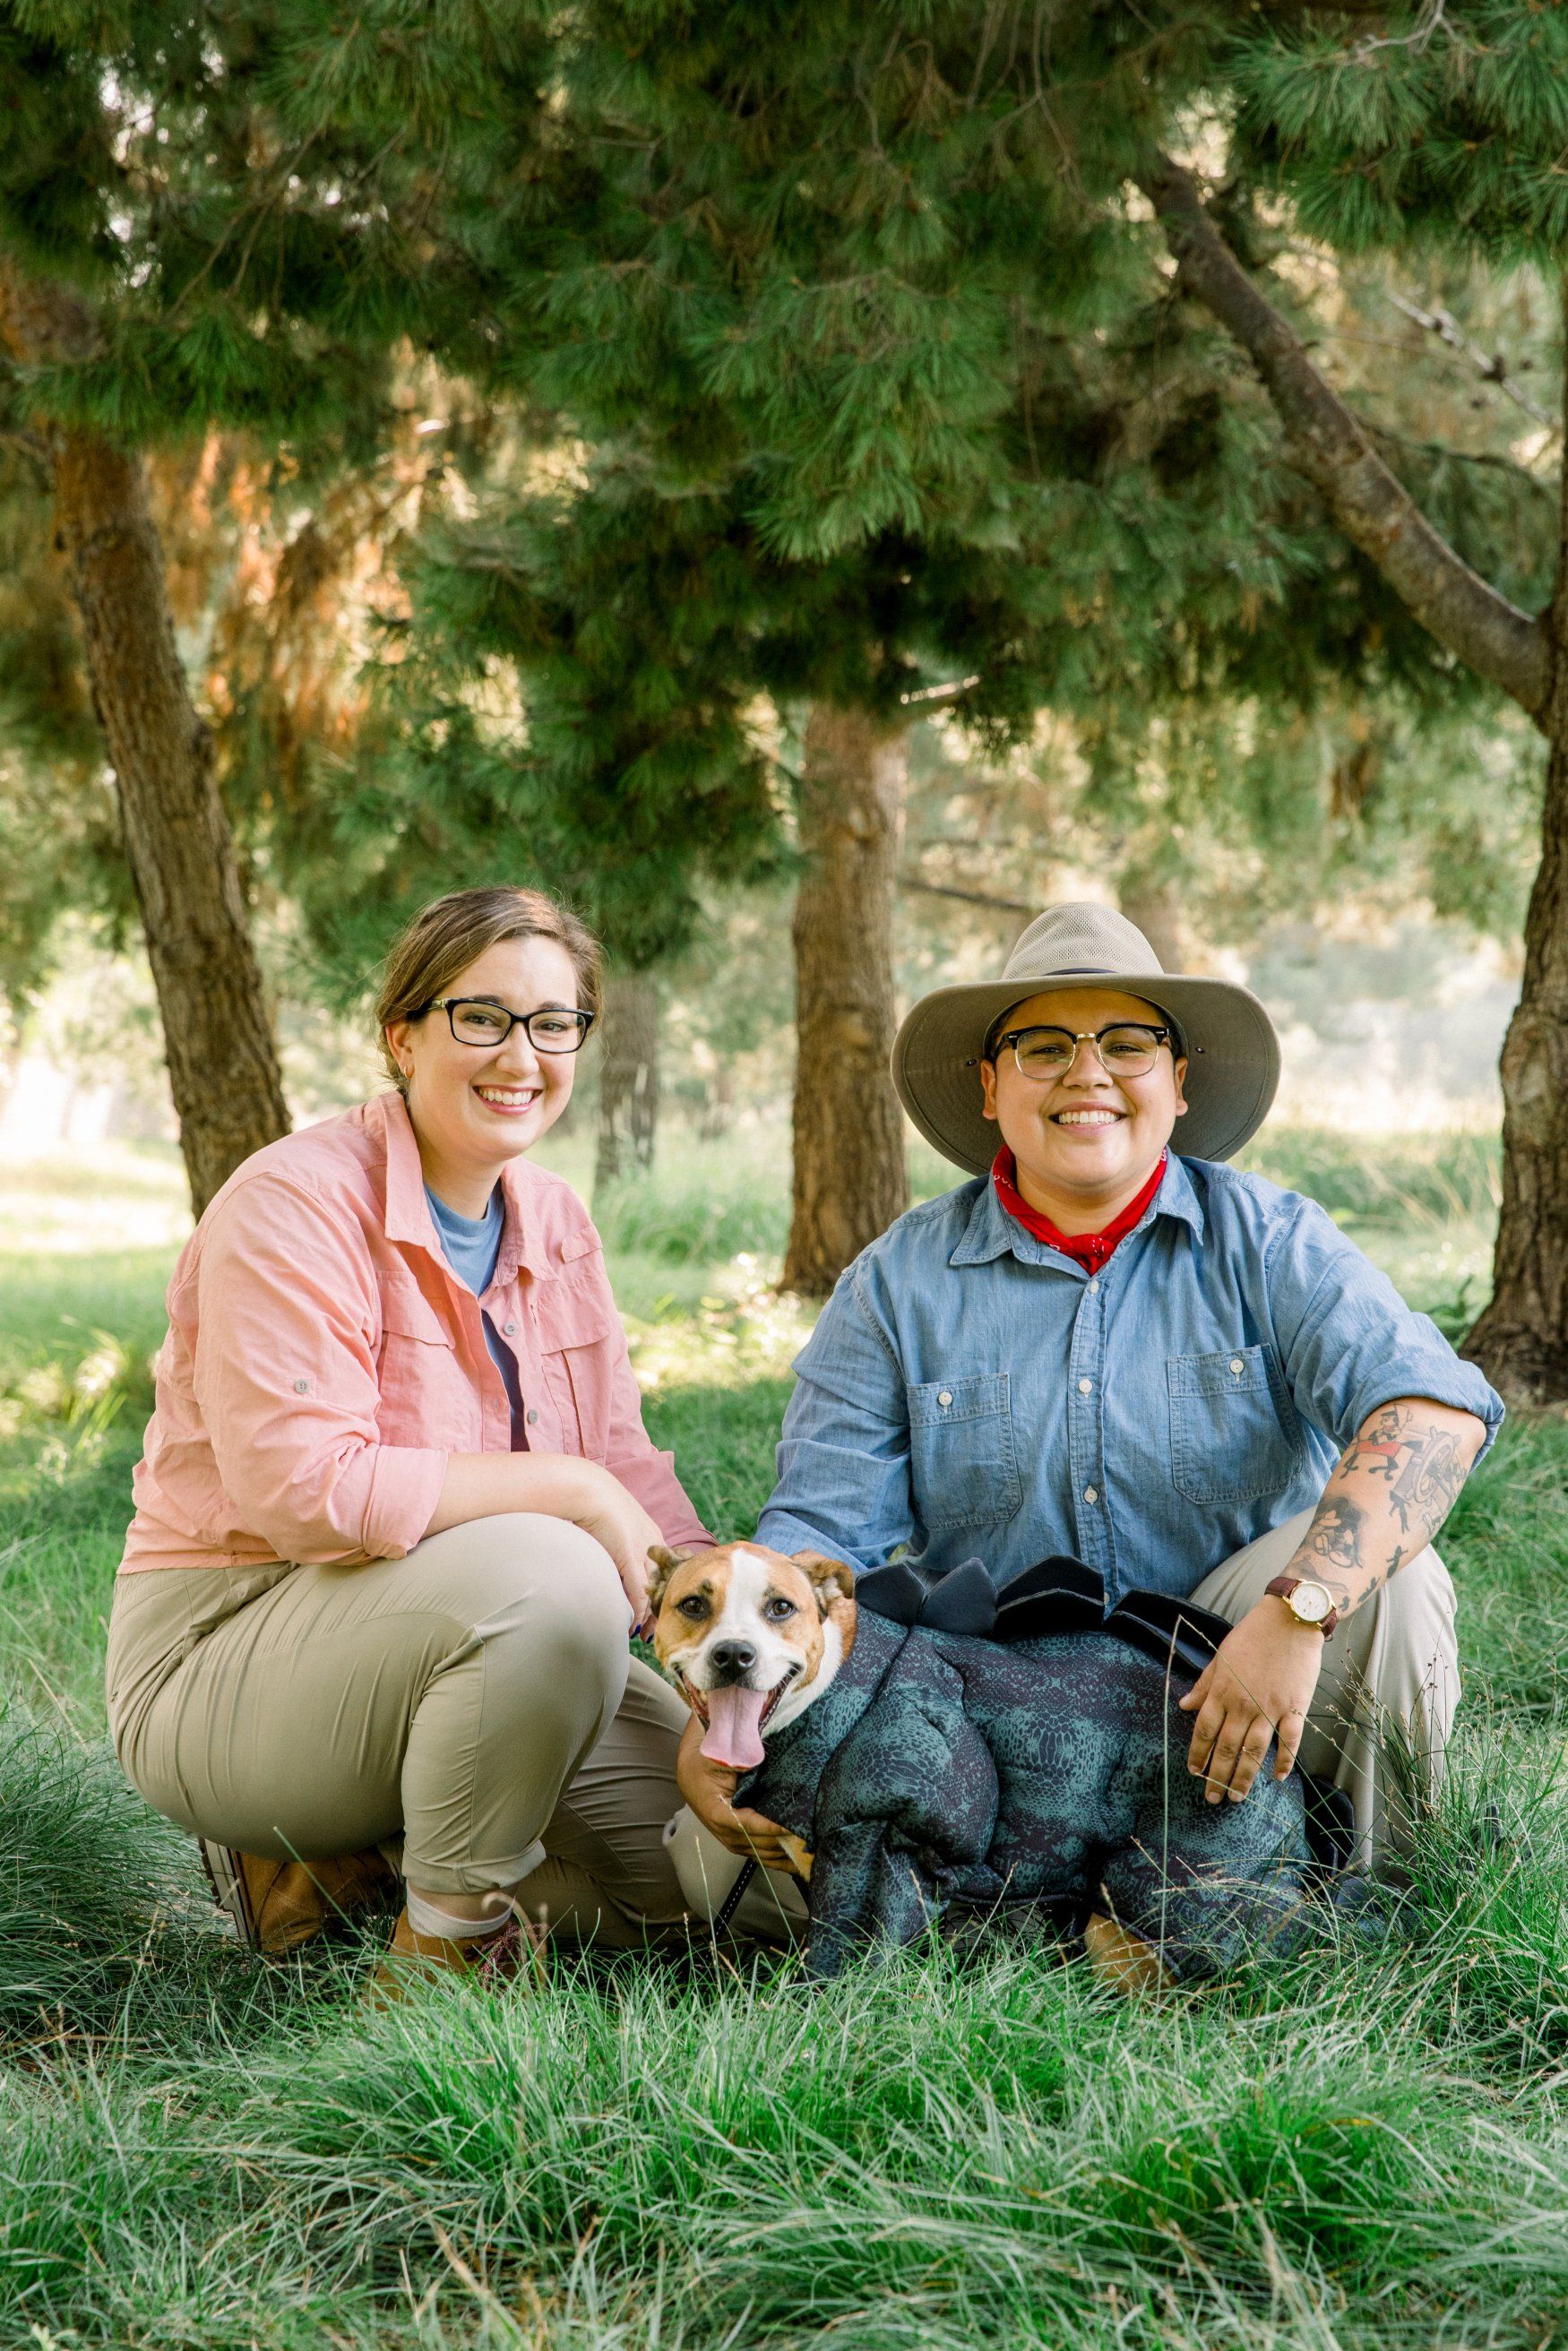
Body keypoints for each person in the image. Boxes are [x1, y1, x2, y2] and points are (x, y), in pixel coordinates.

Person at [677, 901, 1503, 1902]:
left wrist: (1298, 1610)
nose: (1087, 1073)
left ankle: (1385, 1905)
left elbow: (1434, 1412)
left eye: (1127, 1043)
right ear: (991, 1086)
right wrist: (727, 1711)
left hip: (1233, 1658)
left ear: (1177, 1080)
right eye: (1042, 1046)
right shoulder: (893, 1284)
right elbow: (816, 1535)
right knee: (708, 1879)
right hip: (992, 1709)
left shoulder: (1274, 1240)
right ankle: (1054, 1904)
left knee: (1399, 1586)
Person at [106, 885, 703, 1983]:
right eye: (481, 1016)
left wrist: (714, 1631)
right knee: (557, 1572)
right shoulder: (292, 1202)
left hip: (484, 1635)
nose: (520, 1054)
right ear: (403, 1035)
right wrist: (572, 1490)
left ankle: (380, 1864)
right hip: (228, 1652)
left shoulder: (555, 1219)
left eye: (554, 1022)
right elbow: (310, 1494)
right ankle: (438, 1956)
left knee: (728, 1878)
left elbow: (624, 1464)